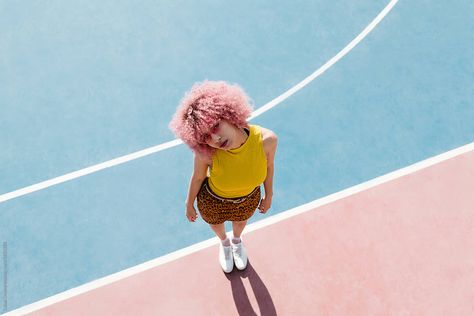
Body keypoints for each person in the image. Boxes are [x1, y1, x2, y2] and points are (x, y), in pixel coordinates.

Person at [169, 80, 278, 273]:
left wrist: (268, 195)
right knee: (216, 223)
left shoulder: (266, 141)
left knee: (240, 222)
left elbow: (269, 166)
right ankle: (224, 243)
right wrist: (189, 203)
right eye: (206, 137)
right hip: (213, 200)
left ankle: (237, 241)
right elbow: (197, 177)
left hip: (248, 197)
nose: (215, 139)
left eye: (216, 126)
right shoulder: (207, 153)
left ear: (229, 115)